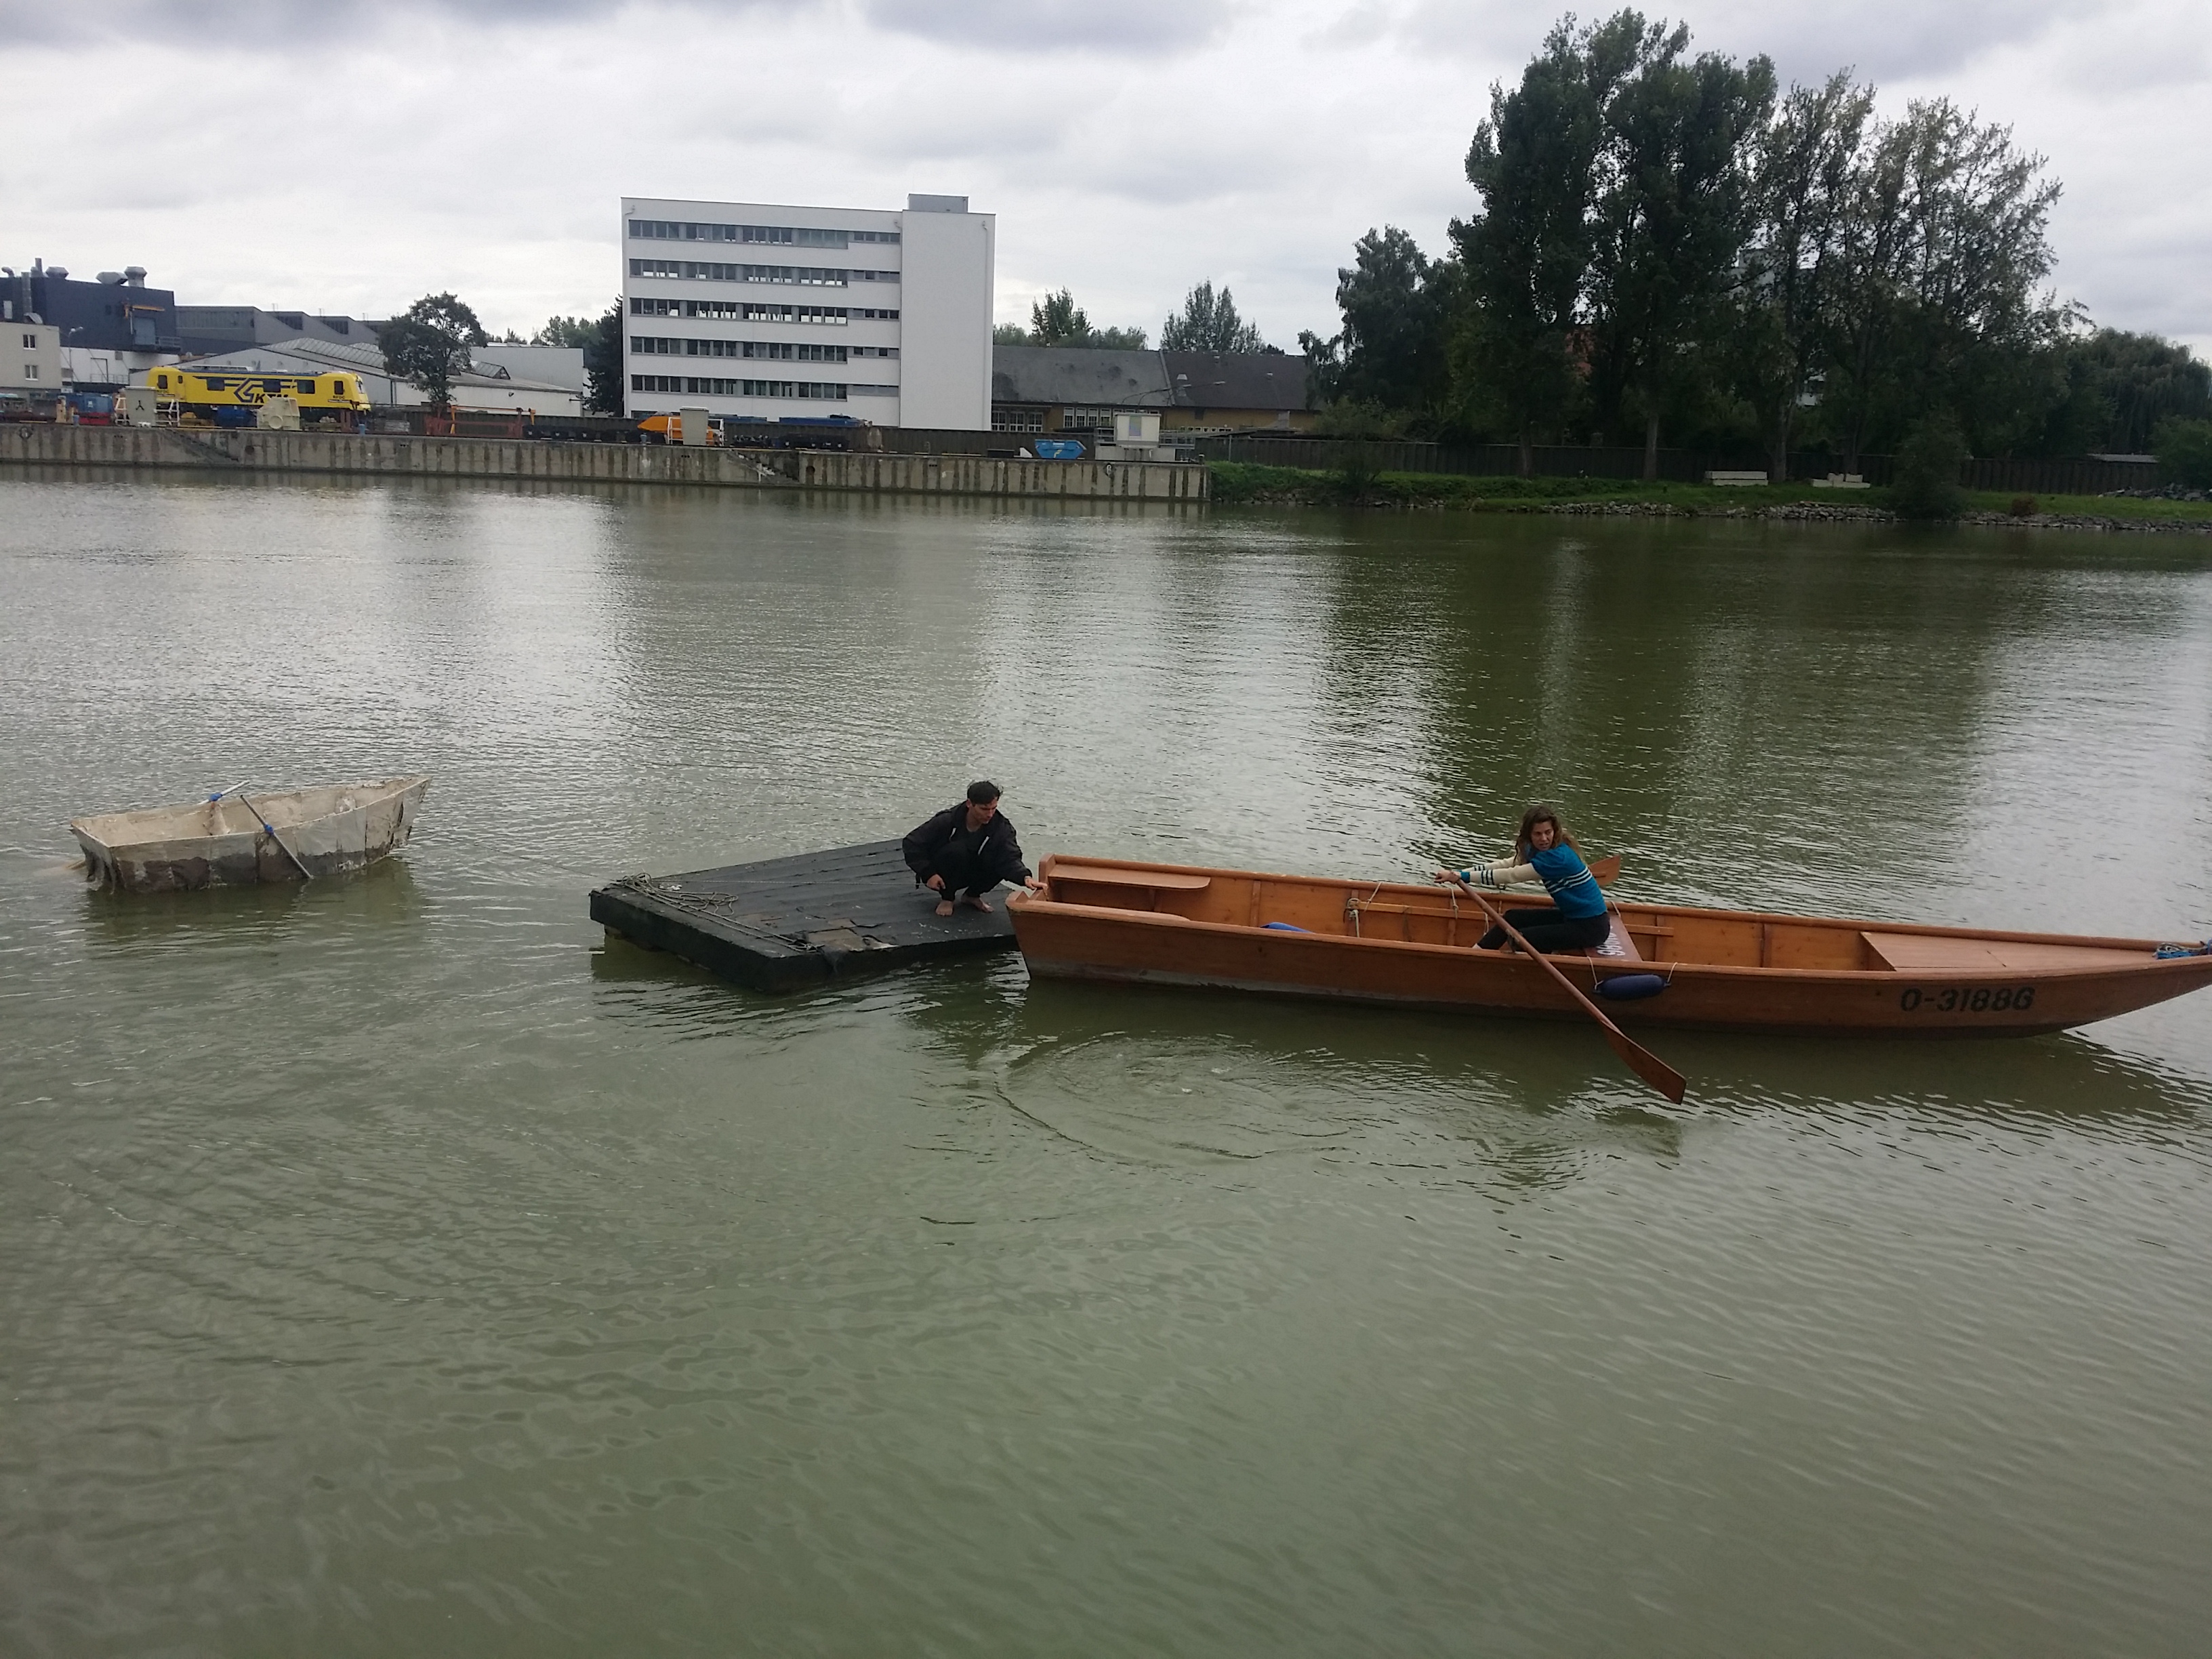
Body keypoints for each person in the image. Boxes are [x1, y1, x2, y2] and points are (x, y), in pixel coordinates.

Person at [1433, 802, 1610, 954]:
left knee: (1522, 938)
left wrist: (1463, 877)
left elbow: (1511, 876)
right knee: (1512, 918)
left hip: (1591, 927)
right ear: (1528, 836)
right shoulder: (1535, 849)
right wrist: (1459, 873)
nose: (1544, 839)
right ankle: (1475, 954)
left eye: (1548, 832)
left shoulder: (1558, 857)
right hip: (1571, 917)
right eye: (1538, 834)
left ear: (1554, 831)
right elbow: (1506, 865)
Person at [903, 781, 1042, 917]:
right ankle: (948, 898)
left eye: (994, 808)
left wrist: (1025, 877)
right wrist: (928, 874)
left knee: (998, 858)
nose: (990, 814)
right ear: (970, 804)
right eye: (984, 809)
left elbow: (1010, 856)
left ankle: (972, 895)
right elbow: (912, 843)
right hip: (943, 870)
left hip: (973, 869)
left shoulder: (1002, 828)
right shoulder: (947, 820)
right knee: (957, 851)